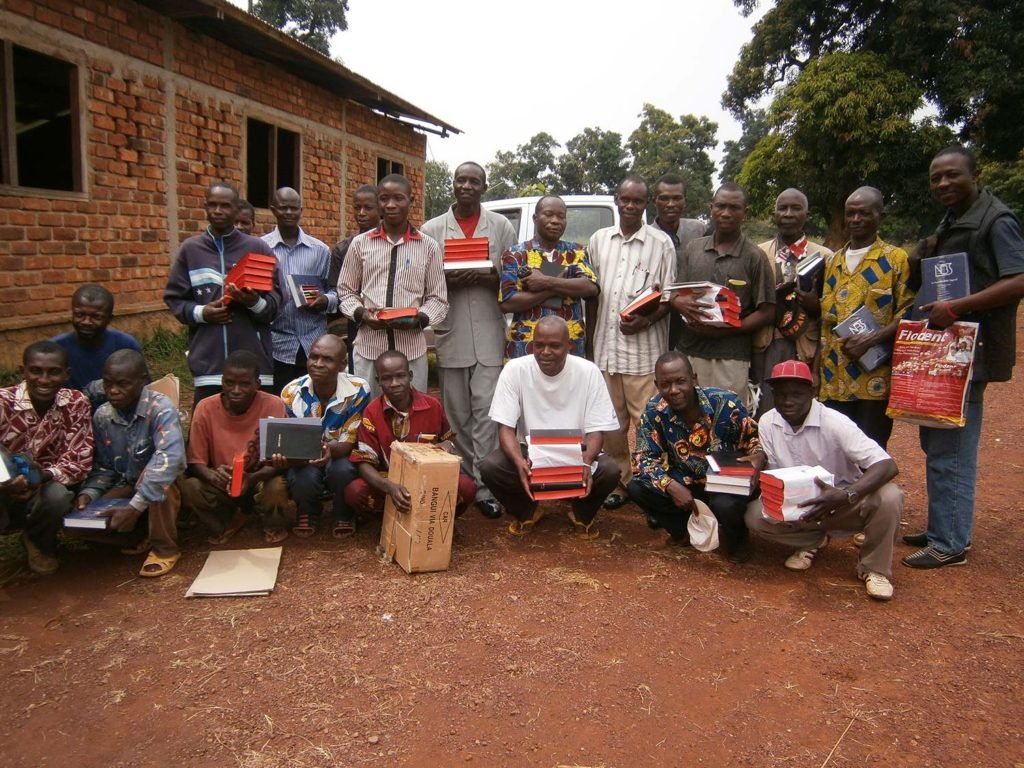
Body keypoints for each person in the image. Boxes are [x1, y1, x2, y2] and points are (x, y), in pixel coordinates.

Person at [902, 145, 1024, 569]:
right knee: (936, 441)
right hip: (946, 352)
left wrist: (956, 308)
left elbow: (1018, 280)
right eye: (936, 178)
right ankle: (944, 527)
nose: (943, 184)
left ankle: (950, 542)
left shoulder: (996, 220)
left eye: (952, 175)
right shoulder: (953, 220)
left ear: (975, 174)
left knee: (952, 446)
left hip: (972, 350)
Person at [746, 360, 902, 601]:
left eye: (797, 394)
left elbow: (887, 465)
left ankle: (874, 569)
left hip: (843, 499)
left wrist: (847, 494)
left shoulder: (835, 423)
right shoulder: (768, 421)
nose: (788, 401)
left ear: (812, 393)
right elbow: (775, 471)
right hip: (802, 503)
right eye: (782, 394)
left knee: (890, 496)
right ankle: (813, 541)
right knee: (755, 515)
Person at [420, 162, 518, 521]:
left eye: (473, 181)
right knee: (457, 414)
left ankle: (485, 487)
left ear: (484, 187)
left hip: (490, 332)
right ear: (453, 185)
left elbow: (512, 278)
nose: (466, 185)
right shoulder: (431, 230)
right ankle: (463, 481)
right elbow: (425, 284)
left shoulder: (501, 226)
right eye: (460, 179)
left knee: (488, 413)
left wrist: (487, 273)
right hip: (452, 331)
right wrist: (451, 280)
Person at [480, 316, 620, 535]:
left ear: (569, 346)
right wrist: (519, 461)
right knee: (491, 467)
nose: (545, 351)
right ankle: (527, 511)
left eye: (555, 345)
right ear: (531, 345)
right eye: (539, 345)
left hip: (577, 451)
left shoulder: (588, 371)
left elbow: (596, 431)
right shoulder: (515, 370)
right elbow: (505, 428)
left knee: (610, 471)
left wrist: (586, 463)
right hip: (531, 451)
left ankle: (582, 514)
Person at [587, 175, 676, 510]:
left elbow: (668, 299)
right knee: (612, 423)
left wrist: (646, 320)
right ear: (616, 199)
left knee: (647, 423)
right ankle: (621, 482)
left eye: (637, 201)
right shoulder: (598, 240)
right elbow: (592, 296)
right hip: (606, 351)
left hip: (643, 353)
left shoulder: (661, 244)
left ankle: (650, 486)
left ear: (646, 204)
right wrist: (591, 345)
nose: (630, 206)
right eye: (625, 199)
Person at [627, 351, 764, 562]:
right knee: (637, 487)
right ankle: (684, 531)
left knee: (725, 505)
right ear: (657, 384)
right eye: (665, 384)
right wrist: (670, 485)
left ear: (694, 379)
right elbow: (643, 459)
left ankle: (737, 539)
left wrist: (758, 457)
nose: (673, 390)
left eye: (681, 381)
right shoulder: (655, 410)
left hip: (724, 483)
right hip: (686, 482)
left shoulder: (725, 404)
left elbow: (755, 441)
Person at [72, 351, 186, 577]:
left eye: (122, 384)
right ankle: (138, 535)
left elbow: (169, 460)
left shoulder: (161, 409)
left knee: (157, 483)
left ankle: (165, 549)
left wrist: (134, 508)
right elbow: (105, 467)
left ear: (142, 381)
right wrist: (90, 493)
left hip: (166, 481)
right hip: (128, 481)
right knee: (80, 521)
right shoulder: (103, 416)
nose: (113, 391)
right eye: (108, 384)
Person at [165, 182, 281, 404]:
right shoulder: (191, 250)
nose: (218, 211)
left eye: (225, 206)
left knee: (256, 433)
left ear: (237, 209)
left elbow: (276, 302)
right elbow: (175, 299)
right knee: (207, 430)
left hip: (254, 364)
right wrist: (202, 313)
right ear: (205, 206)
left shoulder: (258, 248)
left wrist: (253, 302)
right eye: (213, 205)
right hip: (209, 365)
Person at [817, 187, 914, 450]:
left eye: (864, 213)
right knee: (834, 451)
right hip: (832, 378)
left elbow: (909, 312)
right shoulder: (832, 262)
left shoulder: (895, 259)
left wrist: (872, 339)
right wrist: (817, 371)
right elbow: (825, 324)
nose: (856, 219)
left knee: (871, 450)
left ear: (880, 216)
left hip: (873, 380)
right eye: (851, 214)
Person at [337, 174, 448, 397]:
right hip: (369, 348)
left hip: (411, 351)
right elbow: (345, 291)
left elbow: (438, 299)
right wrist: (361, 314)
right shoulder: (361, 244)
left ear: (410, 201)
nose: (390, 205)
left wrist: (420, 319)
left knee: (413, 415)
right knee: (367, 414)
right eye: (384, 199)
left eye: (398, 198)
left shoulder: (429, 247)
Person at [669, 183, 774, 406]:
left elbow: (767, 311)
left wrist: (729, 328)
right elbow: (674, 294)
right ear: (711, 208)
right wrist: (681, 304)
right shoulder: (693, 249)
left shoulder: (754, 256)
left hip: (730, 356)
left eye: (734, 208)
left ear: (745, 212)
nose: (726, 213)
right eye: (721, 206)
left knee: (726, 422)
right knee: (685, 419)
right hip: (689, 353)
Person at [345, 351, 476, 520]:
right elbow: (363, 463)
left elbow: (448, 439)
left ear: (410, 376)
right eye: (386, 378)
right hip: (390, 480)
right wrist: (389, 487)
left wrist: (446, 446)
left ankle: (438, 523)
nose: (394, 383)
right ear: (378, 381)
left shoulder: (432, 406)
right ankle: (388, 523)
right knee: (355, 492)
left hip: (429, 480)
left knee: (466, 487)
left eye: (400, 376)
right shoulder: (372, 411)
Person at [0, 342, 93, 575]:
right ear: (23, 371)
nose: (44, 379)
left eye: (53, 372)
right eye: (36, 371)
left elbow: (79, 460)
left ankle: (38, 541)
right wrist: (5, 483)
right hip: (3, 487)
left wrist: (42, 476)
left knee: (59, 496)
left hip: (42, 486)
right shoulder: (3, 403)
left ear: (66, 374)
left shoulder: (75, 403)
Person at [181, 350, 289, 545]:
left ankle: (273, 525)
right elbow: (196, 462)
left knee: (277, 487)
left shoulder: (274, 405)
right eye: (229, 383)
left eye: (245, 384)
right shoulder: (205, 408)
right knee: (190, 487)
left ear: (257, 384)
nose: (236, 390)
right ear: (222, 381)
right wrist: (213, 476)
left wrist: (251, 477)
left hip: (258, 478)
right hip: (223, 480)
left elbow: (279, 462)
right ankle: (224, 522)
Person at [273, 334, 370, 538]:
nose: (318, 364)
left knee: (342, 468)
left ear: (343, 365)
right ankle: (308, 510)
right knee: (303, 474)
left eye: (327, 359)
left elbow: (351, 440)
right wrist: (286, 455)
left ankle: (343, 511)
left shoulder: (359, 390)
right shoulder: (291, 392)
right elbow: (291, 441)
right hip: (304, 457)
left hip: (340, 453)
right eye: (314, 357)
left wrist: (328, 451)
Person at [751, 189, 833, 415]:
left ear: (807, 214)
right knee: (764, 411)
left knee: (802, 413)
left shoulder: (826, 256)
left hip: (805, 346)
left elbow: (833, 313)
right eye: (782, 208)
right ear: (774, 214)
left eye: (796, 208)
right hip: (765, 346)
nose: (788, 214)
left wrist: (816, 306)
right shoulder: (758, 253)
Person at [498, 195, 599, 360]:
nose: (555, 221)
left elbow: (590, 288)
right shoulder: (516, 254)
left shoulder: (577, 253)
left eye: (561, 216)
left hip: (569, 346)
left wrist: (545, 281)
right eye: (548, 214)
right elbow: (507, 302)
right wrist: (555, 289)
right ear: (535, 218)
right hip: (526, 346)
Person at [262, 186, 337, 393]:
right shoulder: (261, 247)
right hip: (278, 342)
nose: (288, 213)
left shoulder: (319, 250)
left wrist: (325, 300)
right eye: (283, 208)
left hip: (313, 340)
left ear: (301, 210)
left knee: (314, 399)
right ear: (273, 209)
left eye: (293, 208)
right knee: (281, 400)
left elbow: (335, 292)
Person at [51, 284, 143, 409]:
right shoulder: (55, 349)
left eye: (96, 317)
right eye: (79, 315)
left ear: (109, 319)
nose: (86, 322)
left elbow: (143, 389)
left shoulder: (126, 345)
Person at [649, 173, 707, 350]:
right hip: (659, 313)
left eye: (677, 198)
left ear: (685, 201)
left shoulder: (699, 230)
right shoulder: (647, 237)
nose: (671, 204)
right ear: (654, 201)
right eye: (664, 198)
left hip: (694, 311)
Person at [328, 184, 380, 369]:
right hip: (357, 327)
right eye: (357, 208)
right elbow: (338, 292)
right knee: (362, 383)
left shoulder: (398, 245)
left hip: (394, 326)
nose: (362, 213)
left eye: (368, 208)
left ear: (380, 208)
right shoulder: (343, 249)